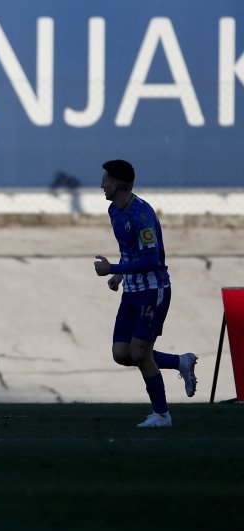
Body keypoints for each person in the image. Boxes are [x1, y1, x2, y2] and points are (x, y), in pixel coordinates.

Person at [94, 159, 198, 428]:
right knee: (121, 353)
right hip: (132, 291)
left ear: (116, 185)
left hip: (153, 290)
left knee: (140, 353)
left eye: (105, 180)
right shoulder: (114, 211)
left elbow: (152, 260)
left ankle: (162, 415)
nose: (102, 184)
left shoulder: (142, 215)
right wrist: (121, 274)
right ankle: (181, 362)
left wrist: (112, 268)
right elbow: (131, 250)